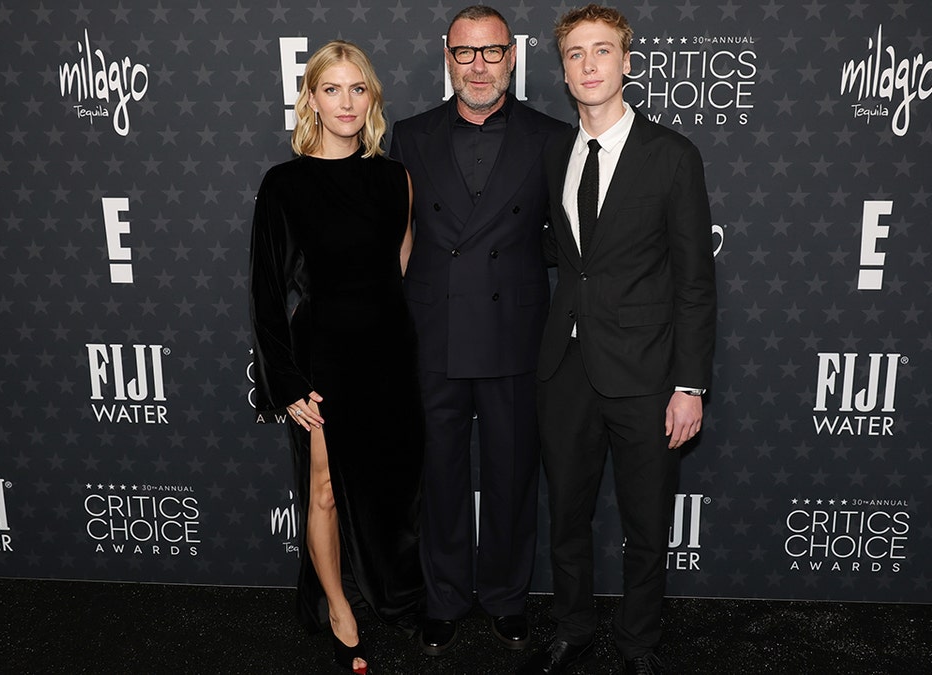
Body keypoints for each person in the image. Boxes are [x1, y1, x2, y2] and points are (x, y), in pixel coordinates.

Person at [520, 5, 717, 675]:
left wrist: (689, 384)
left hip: (647, 374)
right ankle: (573, 627)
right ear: (565, 70)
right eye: (576, 54)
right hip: (565, 368)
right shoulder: (554, 154)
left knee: (645, 527)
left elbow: (695, 280)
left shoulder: (672, 156)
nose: (590, 64)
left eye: (602, 51)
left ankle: (638, 644)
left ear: (627, 62)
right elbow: (568, 252)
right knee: (567, 520)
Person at [389, 4, 569, 657]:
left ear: (512, 57)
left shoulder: (552, 136)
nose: (479, 65)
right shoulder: (409, 135)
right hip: (433, 329)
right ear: (447, 56)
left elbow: (570, 242)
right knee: (437, 473)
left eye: (492, 52)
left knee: (512, 473)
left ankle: (504, 597)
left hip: (515, 332)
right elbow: (401, 236)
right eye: (466, 52)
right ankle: (442, 598)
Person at [249, 40, 424, 675]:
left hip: (388, 352)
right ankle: (339, 609)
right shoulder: (285, 184)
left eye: (358, 89)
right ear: (312, 100)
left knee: (388, 486)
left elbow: (397, 269)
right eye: (332, 90)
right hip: (323, 356)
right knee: (322, 489)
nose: (346, 102)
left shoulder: (393, 177)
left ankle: (391, 591)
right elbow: (267, 294)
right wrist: (287, 380)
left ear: (371, 98)